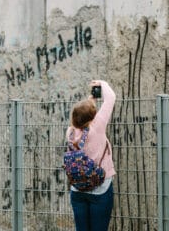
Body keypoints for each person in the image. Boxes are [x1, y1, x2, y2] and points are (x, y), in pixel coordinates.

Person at [66, 80, 116, 231]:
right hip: (100, 188)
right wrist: (102, 83)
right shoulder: (98, 126)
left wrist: (90, 102)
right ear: (93, 117)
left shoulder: (70, 132)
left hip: (78, 190)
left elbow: (81, 119)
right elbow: (111, 98)